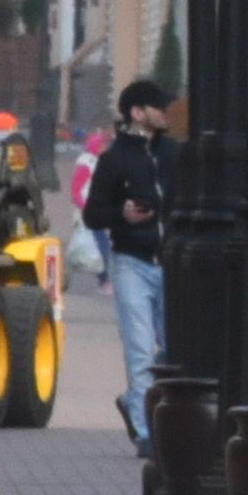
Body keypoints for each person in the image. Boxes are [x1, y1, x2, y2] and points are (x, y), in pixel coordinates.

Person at [93, 78, 174, 455]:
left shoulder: (174, 154)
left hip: (172, 261)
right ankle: (147, 434)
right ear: (138, 114)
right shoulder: (116, 159)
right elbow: (94, 213)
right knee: (140, 349)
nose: (166, 111)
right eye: (158, 106)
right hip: (132, 263)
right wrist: (122, 214)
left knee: (173, 349)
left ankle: (140, 405)